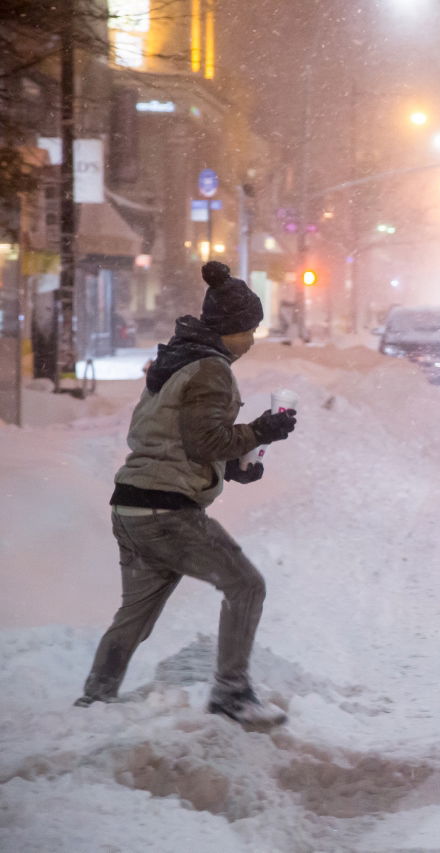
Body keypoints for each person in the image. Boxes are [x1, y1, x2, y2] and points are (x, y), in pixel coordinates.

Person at [75, 261, 298, 726]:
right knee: (246, 585)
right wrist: (260, 431)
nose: (253, 339)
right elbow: (204, 442)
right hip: (167, 512)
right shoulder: (211, 370)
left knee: (135, 616)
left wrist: (234, 467)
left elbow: (173, 437)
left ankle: (94, 701)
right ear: (230, 329)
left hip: (131, 507)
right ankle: (231, 693)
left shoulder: (176, 360)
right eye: (249, 329)